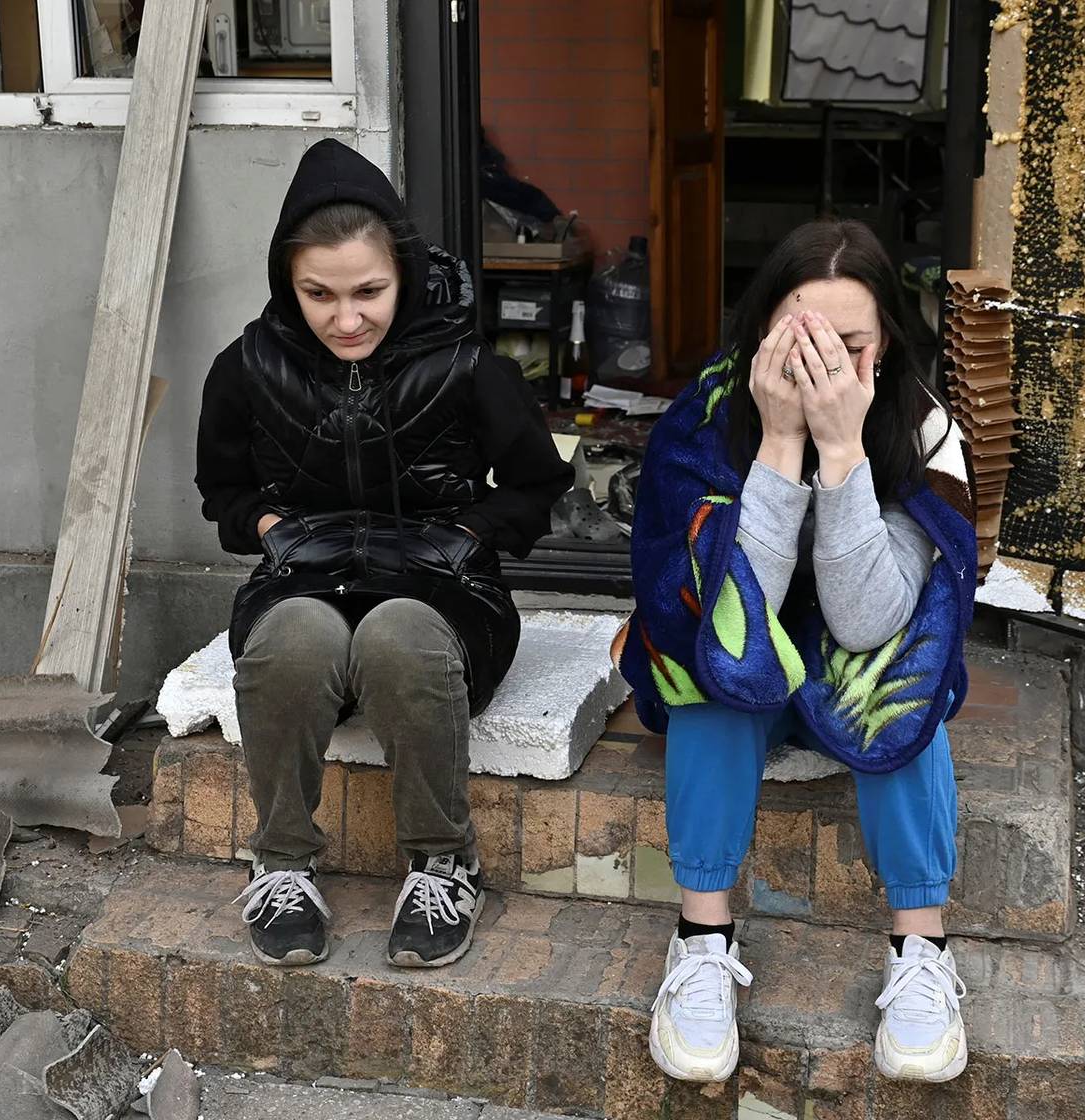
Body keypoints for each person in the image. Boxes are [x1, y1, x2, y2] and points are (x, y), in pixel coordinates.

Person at [195, 139, 573, 970]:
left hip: (443, 598)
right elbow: (221, 490)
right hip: (303, 580)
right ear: (287, 283)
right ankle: (282, 863)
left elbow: (537, 485)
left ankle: (444, 864)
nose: (347, 319)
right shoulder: (248, 367)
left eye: (368, 291)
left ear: (402, 271)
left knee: (397, 634)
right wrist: (268, 528)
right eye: (319, 294)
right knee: (294, 638)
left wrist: (467, 537)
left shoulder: (469, 368)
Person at [618, 219, 979, 1084]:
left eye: (847, 348)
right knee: (712, 677)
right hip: (745, 654)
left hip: (853, 649)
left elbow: (870, 623)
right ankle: (702, 939)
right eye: (797, 342)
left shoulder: (923, 430)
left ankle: (921, 949)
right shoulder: (703, 420)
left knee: (900, 689)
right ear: (757, 337)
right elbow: (724, 613)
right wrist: (780, 446)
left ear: (886, 345)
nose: (820, 368)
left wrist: (843, 451)